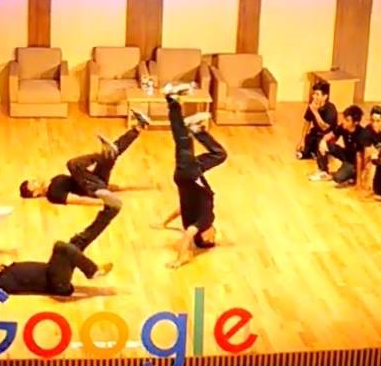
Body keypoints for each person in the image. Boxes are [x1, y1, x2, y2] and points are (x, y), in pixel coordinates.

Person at [0, 191, 121, 296]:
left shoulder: (7, 270)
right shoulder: (3, 282)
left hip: (54, 272)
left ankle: (110, 211)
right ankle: (93, 271)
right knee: (60, 246)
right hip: (57, 284)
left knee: (77, 241)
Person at [156, 83, 226, 268]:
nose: (215, 234)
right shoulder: (191, 220)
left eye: (213, 238)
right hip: (187, 175)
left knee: (183, 141)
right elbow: (181, 209)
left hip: (190, 174)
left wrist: (179, 259)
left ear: (205, 237)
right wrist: (164, 223)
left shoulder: (203, 223)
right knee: (218, 155)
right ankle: (194, 128)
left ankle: (173, 101)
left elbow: (188, 235)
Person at [18, 109, 151, 205]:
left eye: (33, 180)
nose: (36, 180)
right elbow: (78, 200)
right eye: (34, 184)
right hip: (92, 189)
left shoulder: (52, 182)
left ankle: (139, 127)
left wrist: (108, 187)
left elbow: (80, 179)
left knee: (112, 153)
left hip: (94, 181)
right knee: (72, 164)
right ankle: (101, 154)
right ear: (35, 194)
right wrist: (104, 201)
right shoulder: (53, 194)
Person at [309, 105, 368, 185]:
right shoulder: (343, 127)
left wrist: (359, 180)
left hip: (354, 162)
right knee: (322, 143)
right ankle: (323, 171)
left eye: (347, 120)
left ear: (355, 123)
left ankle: (352, 174)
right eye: (344, 118)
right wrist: (323, 141)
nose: (344, 122)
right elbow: (330, 135)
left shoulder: (361, 134)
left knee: (338, 178)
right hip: (346, 154)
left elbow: (359, 157)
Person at [296, 81, 338, 160]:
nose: (314, 96)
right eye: (314, 94)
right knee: (303, 148)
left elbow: (324, 128)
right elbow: (307, 123)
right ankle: (310, 152)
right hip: (316, 133)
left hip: (328, 136)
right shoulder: (312, 106)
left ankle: (317, 153)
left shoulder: (331, 108)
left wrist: (315, 112)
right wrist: (302, 140)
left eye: (317, 94)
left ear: (325, 96)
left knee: (321, 149)